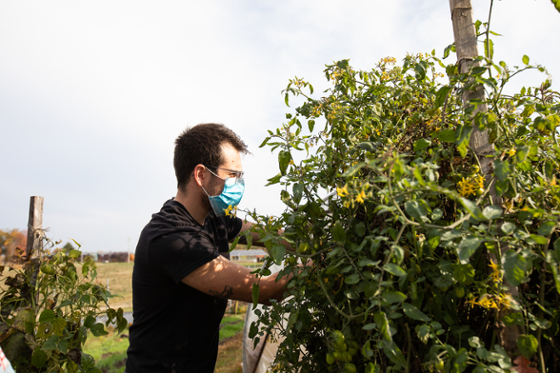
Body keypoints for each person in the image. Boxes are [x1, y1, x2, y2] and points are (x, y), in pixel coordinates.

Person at [125, 123, 290, 373]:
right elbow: (264, 290)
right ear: (201, 175)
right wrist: (315, 266)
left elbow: (267, 235)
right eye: (232, 175)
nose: (238, 184)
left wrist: (309, 238)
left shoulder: (213, 219)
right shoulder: (172, 237)